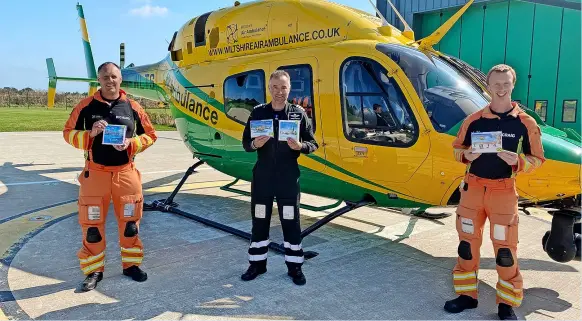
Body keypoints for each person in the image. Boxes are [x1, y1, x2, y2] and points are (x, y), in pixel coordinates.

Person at [444, 64, 545, 320]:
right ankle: (467, 296)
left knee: (505, 251)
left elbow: (538, 159)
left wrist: (518, 162)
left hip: (503, 193)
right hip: (473, 190)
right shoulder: (474, 119)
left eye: (506, 84)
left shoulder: (525, 123)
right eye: (496, 84)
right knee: (467, 245)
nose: (501, 89)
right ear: (488, 87)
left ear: (513, 85)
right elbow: (457, 148)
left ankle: (506, 303)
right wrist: (466, 154)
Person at [62, 62, 157, 291]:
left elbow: (151, 135)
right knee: (92, 226)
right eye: (105, 77)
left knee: (130, 225)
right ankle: (94, 270)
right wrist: (90, 134)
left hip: (126, 174)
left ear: (120, 79)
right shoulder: (85, 106)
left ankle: (131, 265)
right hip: (96, 175)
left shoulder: (133, 107)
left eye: (114, 76)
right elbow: (68, 133)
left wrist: (131, 143)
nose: (110, 80)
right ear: (99, 80)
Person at [240, 70, 318, 285]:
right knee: (260, 220)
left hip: (287, 178)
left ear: (289, 88)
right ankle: (257, 264)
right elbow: (246, 143)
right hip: (263, 178)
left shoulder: (298, 113)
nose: (279, 92)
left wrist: (301, 146)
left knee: (291, 222)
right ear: (269, 88)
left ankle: (295, 267)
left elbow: (313, 143)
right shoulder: (257, 113)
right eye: (275, 87)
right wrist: (256, 144)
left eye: (283, 87)